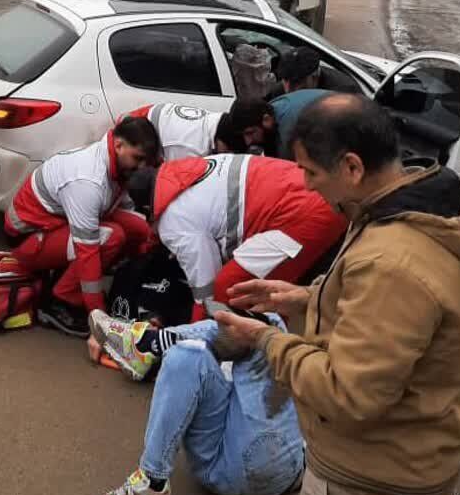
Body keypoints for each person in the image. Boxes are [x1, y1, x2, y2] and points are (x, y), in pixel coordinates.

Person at [218, 94, 460, 495]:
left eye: (311, 172)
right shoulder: (407, 208)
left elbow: (348, 394)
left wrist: (267, 340)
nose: (305, 184)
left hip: (373, 487)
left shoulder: (391, 261)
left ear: (352, 167)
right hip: (391, 464)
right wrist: (307, 298)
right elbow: (399, 318)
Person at [85, 312, 305, 495]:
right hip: (236, 465)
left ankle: (147, 344)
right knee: (187, 354)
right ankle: (152, 482)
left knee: (265, 325)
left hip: (259, 463)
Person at [126, 153, 347, 322]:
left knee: (231, 288)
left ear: (147, 207)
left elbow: (206, 286)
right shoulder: (192, 168)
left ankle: (238, 364)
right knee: (270, 290)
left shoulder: (173, 221)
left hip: (304, 213)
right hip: (316, 189)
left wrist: (192, 333)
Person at [5, 117, 160, 338]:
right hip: (28, 240)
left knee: (141, 229)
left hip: (56, 224)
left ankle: (125, 284)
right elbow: (87, 252)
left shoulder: (116, 163)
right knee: (111, 237)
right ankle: (61, 299)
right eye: (138, 158)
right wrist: (99, 314)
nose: (142, 167)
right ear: (118, 145)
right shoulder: (89, 181)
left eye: (147, 161)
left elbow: (124, 208)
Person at [226, 88, 329, 159]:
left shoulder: (289, 132)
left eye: (250, 133)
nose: (248, 141)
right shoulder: (275, 108)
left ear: (266, 120)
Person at [124, 103, 232, 161]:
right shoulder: (190, 150)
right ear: (220, 140)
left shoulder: (215, 120)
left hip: (147, 117)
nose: (228, 154)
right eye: (228, 151)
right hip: (140, 132)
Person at [270, 45, 360, 97]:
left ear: (314, 76)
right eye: (285, 80)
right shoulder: (278, 91)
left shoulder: (344, 92)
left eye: (296, 82)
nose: (288, 90)